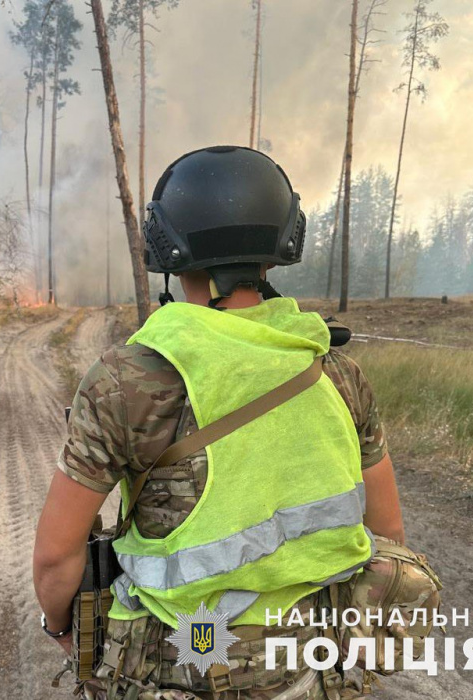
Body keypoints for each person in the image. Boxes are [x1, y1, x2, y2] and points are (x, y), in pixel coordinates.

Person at [33, 146, 405, 700]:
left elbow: (56, 558)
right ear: (279, 248)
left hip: (179, 664)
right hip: (314, 666)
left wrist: (62, 628)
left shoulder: (126, 381)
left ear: (168, 249)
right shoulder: (336, 373)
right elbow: (388, 534)